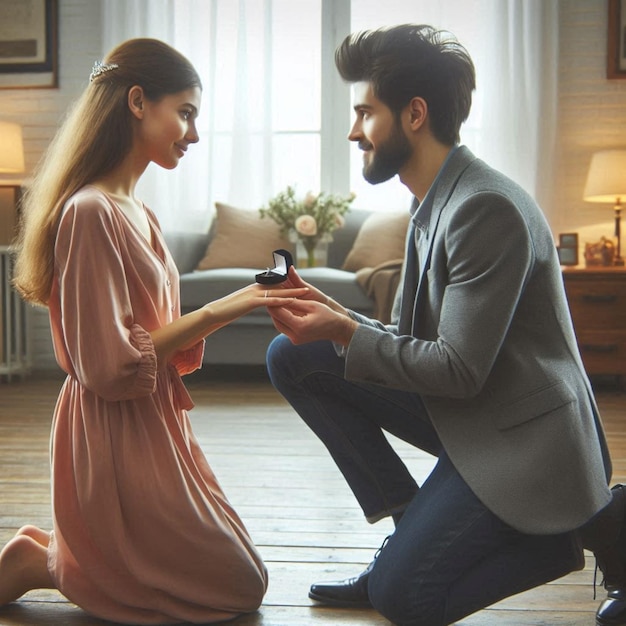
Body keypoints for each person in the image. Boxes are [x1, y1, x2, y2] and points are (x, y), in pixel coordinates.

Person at [266, 24, 626, 626]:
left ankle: (568, 533)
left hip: (525, 439)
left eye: (364, 113)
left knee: (407, 598)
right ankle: (410, 523)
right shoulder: (431, 199)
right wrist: (333, 318)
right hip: (479, 409)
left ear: (414, 114)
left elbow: (455, 369)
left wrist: (346, 332)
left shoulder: (485, 208)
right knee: (293, 354)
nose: (355, 131)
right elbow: (414, 340)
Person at [5, 38, 306, 625]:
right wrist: (232, 305)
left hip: (156, 419)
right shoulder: (89, 212)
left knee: (245, 576)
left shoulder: (139, 211)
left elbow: (151, 336)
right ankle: (47, 564)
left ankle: (57, 555)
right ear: (138, 101)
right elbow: (110, 364)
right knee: (238, 587)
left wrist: (247, 297)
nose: (193, 134)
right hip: (113, 428)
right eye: (186, 113)